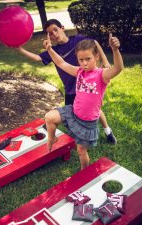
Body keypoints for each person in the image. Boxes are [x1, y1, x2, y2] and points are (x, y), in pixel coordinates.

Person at [17, 19, 117, 144]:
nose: (54, 34)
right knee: (75, 114)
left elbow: (94, 43)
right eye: (50, 33)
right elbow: (37, 58)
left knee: (94, 109)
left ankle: (107, 131)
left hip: (87, 85)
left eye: (55, 30)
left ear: (62, 28)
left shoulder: (77, 40)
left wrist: (105, 61)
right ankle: (77, 136)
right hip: (70, 89)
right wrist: (19, 49)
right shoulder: (53, 51)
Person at [43, 33, 124, 170]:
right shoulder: (79, 72)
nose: (84, 63)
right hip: (73, 113)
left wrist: (115, 50)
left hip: (87, 122)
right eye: (81, 60)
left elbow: (118, 68)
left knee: (81, 151)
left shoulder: (101, 75)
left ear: (96, 57)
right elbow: (61, 62)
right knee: (49, 117)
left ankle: (84, 173)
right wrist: (50, 49)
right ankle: (52, 138)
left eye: (88, 59)